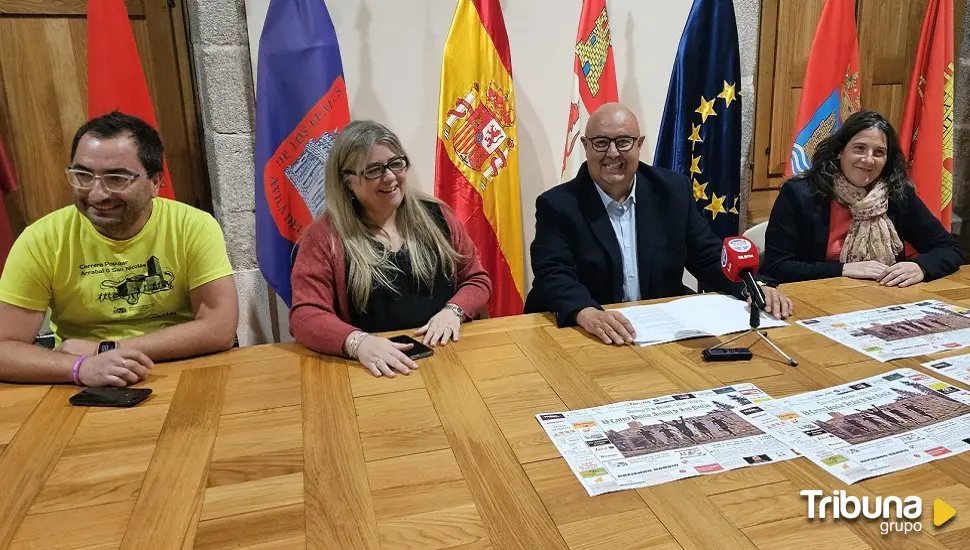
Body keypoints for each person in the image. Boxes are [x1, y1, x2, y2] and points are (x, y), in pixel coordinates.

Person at [0, 111, 238, 387]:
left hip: (186, 369)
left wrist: (105, 349)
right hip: (86, 381)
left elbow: (219, 328)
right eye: (83, 176)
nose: (96, 194)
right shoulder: (41, 239)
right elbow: (4, 348)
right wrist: (80, 367)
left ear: (155, 183)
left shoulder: (193, 226)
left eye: (116, 178)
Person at [525, 103, 792, 345]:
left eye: (624, 142)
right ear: (585, 146)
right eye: (601, 143)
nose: (613, 153)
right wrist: (587, 313)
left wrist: (754, 288)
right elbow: (553, 273)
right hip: (590, 332)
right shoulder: (558, 205)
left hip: (658, 331)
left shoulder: (671, 191)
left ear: (639, 144)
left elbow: (709, 258)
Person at [289, 120, 491, 378]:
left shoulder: (437, 215)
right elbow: (305, 315)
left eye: (396, 163)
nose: (390, 177)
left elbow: (476, 279)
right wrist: (356, 342)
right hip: (377, 369)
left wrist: (454, 311)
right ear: (348, 181)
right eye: (373, 170)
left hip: (450, 357)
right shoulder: (324, 238)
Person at [761, 109, 961, 286]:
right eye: (859, 148)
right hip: (816, 298)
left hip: (883, 297)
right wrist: (845, 269)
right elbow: (777, 266)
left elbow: (948, 248)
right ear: (840, 151)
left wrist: (921, 267)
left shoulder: (897, 193)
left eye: (879, 152)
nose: (868, 159)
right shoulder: (799, 193)